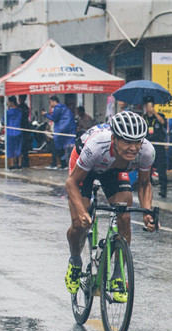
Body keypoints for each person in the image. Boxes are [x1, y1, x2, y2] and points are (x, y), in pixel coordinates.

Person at [64, 111, 157, 300]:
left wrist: (147, 212)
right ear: (114, 138)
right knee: (79, 223)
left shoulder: (147, 151)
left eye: (137, 142)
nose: (133, 148)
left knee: (125, 215)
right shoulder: (96, 146)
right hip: (86, 168)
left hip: (114, 170)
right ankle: (75, 261)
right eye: (127, 142)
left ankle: (118, 275)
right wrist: (82, 212)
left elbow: (144, 183)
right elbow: (71, 183)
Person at [142, 96, 168, 198]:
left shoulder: (159, 116)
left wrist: (155, 113)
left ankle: (163, 189)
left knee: (161, 168)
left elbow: (163, 123)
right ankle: (148, 188)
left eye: (151, 106)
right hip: (147, 145)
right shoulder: (144, 117)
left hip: (158, 145)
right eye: (147, 106)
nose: (149, 108)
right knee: (147, 168)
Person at [43, 96, 76, 170]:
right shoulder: (64, 107)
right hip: (68, 130)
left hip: (61, 130)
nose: (50, 104)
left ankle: (60, 163)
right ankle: (64, 164)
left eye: (50, 102)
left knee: (57, 147)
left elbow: (54, 118)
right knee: (65, 148)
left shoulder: (57, 108)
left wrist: (46, 114)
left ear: (54, 101)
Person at [5, 96, 24, 169]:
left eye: (8, 102)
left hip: (10, 132)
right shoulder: (20, 111)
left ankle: (12, 164)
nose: (7, 103)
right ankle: (19, 164)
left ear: (11, 102)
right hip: (18, 131)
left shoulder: (8, 112)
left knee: (10, 148)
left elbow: (4, 120)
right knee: (18, 147)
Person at [18, 95, 32, 168]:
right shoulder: (26, 107)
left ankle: (24, 162)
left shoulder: (20, 107)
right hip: (26, 128)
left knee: (23, 146)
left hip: (22, 129)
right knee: (25, 147)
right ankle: (25, 161)